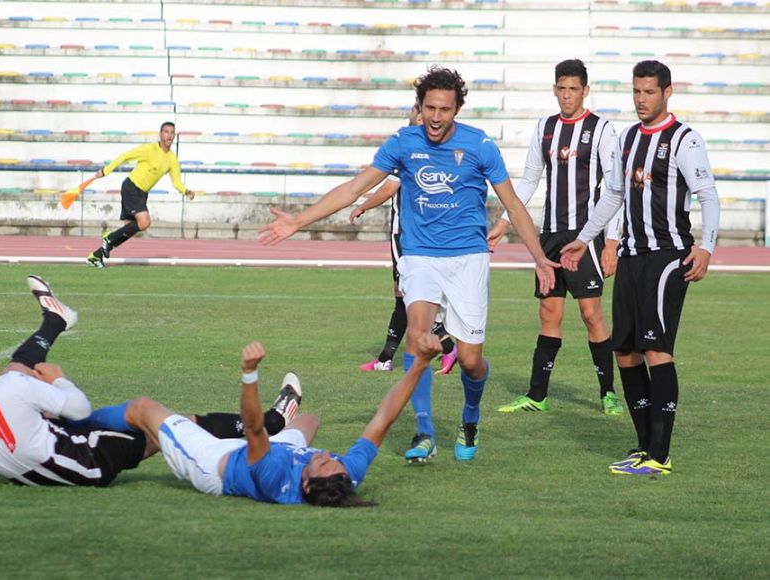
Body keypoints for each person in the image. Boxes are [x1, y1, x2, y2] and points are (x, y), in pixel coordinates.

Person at [260, 66, 558, 464]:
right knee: (418, 338)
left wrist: (538, 257)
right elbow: (353, 188)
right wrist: (298, 220)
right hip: (420, 255)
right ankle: (424, 432)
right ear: (419, 107)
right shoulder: (402, 143)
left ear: (457, 110)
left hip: (467, 258)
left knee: (470, 360)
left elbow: (513, 204)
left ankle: (470, 416)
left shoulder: (480, 146)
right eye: (430, 107)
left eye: (445, 109)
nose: (436, 117)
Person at [0, 277, 301, 488]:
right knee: (155, 417)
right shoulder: (9, 386)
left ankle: (56, 320)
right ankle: (268, 427)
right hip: (90, 462)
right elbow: (79, 410)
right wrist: (60, 380)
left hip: (56, 446)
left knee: (30, 381)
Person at [561, 60, 720, 476]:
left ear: (667, 93)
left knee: (655, 350)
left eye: (649, 92)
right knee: (626, 353)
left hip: (668, 257)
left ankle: (660, 455)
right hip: (631, 258)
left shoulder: (685, 139)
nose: (641, 100)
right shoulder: (628, 138)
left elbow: (707, 194)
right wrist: (584, 237)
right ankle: (642, 447)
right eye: (636, 92)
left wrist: (706, 247)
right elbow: (612, 196)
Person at [119, 332, 444, 506]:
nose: (327, 454)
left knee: (143, 408)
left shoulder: (274, 476)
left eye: (322, 462)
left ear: (306, 483)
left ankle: (96, 455)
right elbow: (383, 420)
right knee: (308, 420)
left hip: (218, 463)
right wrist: (419, 364)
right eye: (333, 459)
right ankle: (279, 420)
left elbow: (252, 428)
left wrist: (249, 374)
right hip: (274, 448)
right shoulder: (345, 477)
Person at [487, 59, 624, 415]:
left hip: (586, 237)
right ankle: (537, 395)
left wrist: (611, 242)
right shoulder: (545, 128)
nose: (566, 95)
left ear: (585, 91)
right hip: (550, 236)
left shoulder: (601, 130)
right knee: (549, 312)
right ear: (554, 89)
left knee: (591, 314)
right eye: (561, 89)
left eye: (573, 89)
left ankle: (607, 392)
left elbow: (615, 189)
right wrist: (504, 222)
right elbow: (530, 180)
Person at [350, 104, 458, 375]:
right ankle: (386, 357)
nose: (419, 116)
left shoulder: (414, 152)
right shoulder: (412, 148)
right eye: (418, 110)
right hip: (413, 235)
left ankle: (446, 346)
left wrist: (364, 205)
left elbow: (390, 188)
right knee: (402, 297)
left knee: (408, 295)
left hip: (406, 236)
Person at [86, 121, 196, 268]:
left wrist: (186, 191)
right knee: (144, 222)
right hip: (131, 187)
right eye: (166, 132)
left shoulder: (172, 159)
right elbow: (125, 156)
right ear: (160, 134)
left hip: (142, 193)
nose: (169, 135)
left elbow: (176, 182)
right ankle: (108, 238)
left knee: (129, 229)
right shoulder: (149, 149)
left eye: (172, 133)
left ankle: (96, 256)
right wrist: (106, 170)